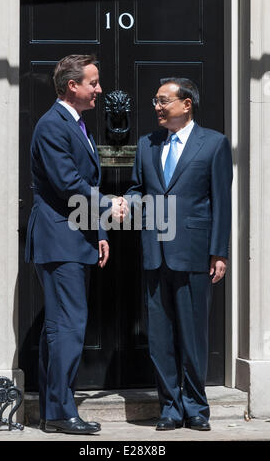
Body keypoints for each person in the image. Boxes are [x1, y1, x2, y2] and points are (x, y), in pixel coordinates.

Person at [125, 77, 233, 431]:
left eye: (163, 100)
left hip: (194, 253)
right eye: (156, 101)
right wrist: (129, 202)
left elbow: (221, 202)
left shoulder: (214, 144)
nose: (156, 106)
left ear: (186, 104)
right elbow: (138, 188)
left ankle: (196, 407)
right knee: (160, 337)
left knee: (193, 336)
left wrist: (219, 252)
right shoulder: (146, 144)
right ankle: (170, 407)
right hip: (155, 252)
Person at [25, 54, 120, 435]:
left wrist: (99, 232)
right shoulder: (53, 125)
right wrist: (110, 207)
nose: (99, 90)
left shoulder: (77, 124)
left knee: (62, 327)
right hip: (59, 239)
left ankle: (55, 410)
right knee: (68, 327)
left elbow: (83, 184)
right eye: (93, 83)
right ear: (72, 86)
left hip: (75, 237)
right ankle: (61, 413)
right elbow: (67, 184)